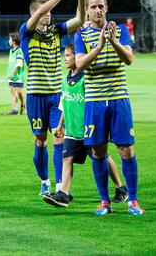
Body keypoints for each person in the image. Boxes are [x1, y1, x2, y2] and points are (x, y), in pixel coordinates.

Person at [74, 0, 143, 216]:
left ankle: (132, 200)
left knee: (126, 149)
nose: (97, 10)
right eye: (93, 6)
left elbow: (129, 59)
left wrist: (112, 41)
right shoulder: (81, 35)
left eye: (101, 6)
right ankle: (104, 202)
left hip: (118, 98)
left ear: (107, 7)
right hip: (94, 101)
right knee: (98, 152)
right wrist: (100, 44)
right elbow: (80, 63)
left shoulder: (120, 31)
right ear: (87, 10)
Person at [20, 0, 86, 198]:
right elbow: (39, 12)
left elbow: (79, 18)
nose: (49, 16)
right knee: (40, 140)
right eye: (45, 12)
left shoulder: (57, 31)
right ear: (34, 14)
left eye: (50, 13)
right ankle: (44, 181)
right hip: (36, 95)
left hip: (56, 95)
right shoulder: (26, 33)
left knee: (60, 135)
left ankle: (60, 186)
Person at [42, 45, 128, 207]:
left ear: (78, 58)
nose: (65, 58)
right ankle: (64, 195)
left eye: (68, 55)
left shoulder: (86, 79)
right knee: (67, 158)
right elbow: (64, 104)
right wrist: (59, 126)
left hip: (88, 129)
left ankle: (120, 188)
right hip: (71, 130)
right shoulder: (66, 78)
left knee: (102, 157)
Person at [4, 32, 26, 116]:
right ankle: (15, 109)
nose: (8, 41)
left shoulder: (19, 51)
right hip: (11, 75)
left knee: (19, 91)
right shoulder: (11, 51)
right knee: (12, 91)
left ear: (13, 41)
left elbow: (19, 64)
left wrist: (13, 73)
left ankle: (23, 105)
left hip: (18, 75)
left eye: (9, 39)